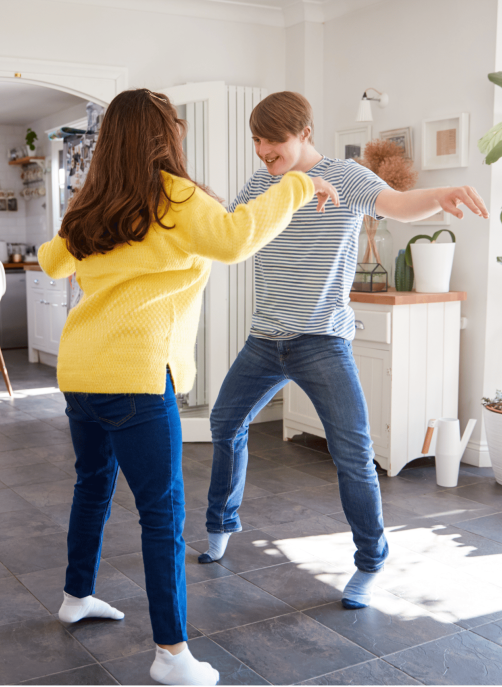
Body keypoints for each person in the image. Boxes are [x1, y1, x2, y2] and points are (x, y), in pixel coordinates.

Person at [37, 88, 339, 687]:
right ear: (163, 134)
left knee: (92, 485)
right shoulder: (174, 196)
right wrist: (301, 186)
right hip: (136, 375)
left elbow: (52, 262)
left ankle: (76, 596)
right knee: (162, 513)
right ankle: (171, 655)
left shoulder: (92, 203)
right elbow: (234, 240)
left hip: (80, 372)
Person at [200, 91, 488, 612]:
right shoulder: (263, 183)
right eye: (258, 140)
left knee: (354, 455)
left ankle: (370, 562)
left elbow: (398, 206)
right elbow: (228, 232)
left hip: (322, 342)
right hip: (265, 338)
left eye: (275, 140)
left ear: (304, 133)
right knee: (225, 423)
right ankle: (222, 524)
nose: (265, 150)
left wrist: (439, 193)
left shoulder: (349, 177)